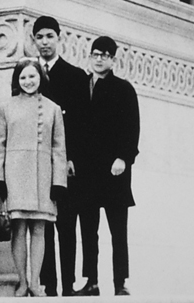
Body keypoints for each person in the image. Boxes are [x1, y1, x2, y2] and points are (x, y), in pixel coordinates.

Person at [0, 59, 67, 297]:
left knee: (39, 229)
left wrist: (58, 182)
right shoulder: (5, 107)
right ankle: (22, 281)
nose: (28, 81)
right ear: (17, 80)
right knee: (19, 228)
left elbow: (59, 149)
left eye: (32, 76)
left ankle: (35, 282)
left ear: (41, 78)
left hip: (43, 176)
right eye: (23, 77)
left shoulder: (53, 109)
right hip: (14, 176)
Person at [73, 36, 139, 297]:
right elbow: (74, 127)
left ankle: (120, 283)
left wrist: (124, 158)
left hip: (114, 171)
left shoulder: (123, 89)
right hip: (86, 172)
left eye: (104, 55)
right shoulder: (81, 86)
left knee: (118, 231)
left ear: (113, 59)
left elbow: (132, 127)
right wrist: (72, 159)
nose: (99, 59)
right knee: (89, 230)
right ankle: (91, 282)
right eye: (95, 54)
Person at [31, 15, 88, 296]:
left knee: (66, 224)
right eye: (39, 37)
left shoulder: (76, 76)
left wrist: (71, 158)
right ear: (33, 40)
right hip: (37, 163)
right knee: (42, 224)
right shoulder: (29, 75)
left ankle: (68, 286)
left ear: (58, 38)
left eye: (49, 36)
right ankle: (48, 286)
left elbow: (81, 123)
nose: (45, 42)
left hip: (65, 164)